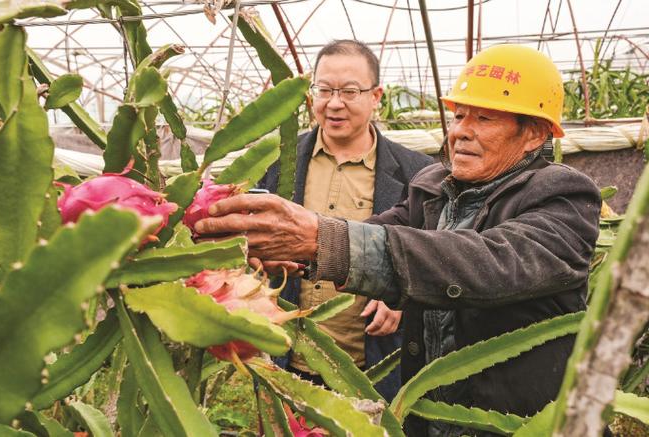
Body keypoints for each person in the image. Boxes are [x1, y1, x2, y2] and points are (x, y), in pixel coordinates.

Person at [195, 45, 601, 436]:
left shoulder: (563, 195)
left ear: (533, 134)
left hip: (511, 422)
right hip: (427, 413)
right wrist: (281, 247)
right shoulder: (432, 187)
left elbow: (491, 262)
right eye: (460, 116)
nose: (461, 132)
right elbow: (376, 233)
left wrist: (319, 240)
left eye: (485, 120)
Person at [258, 39, 432, 402]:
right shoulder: (276, 162)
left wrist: (404, 299)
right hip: (288, 365)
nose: (334, 103)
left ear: (376, 95)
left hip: (375, 370)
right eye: (324, 90)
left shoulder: (419, 173)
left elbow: (437, 259)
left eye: (350, 91)